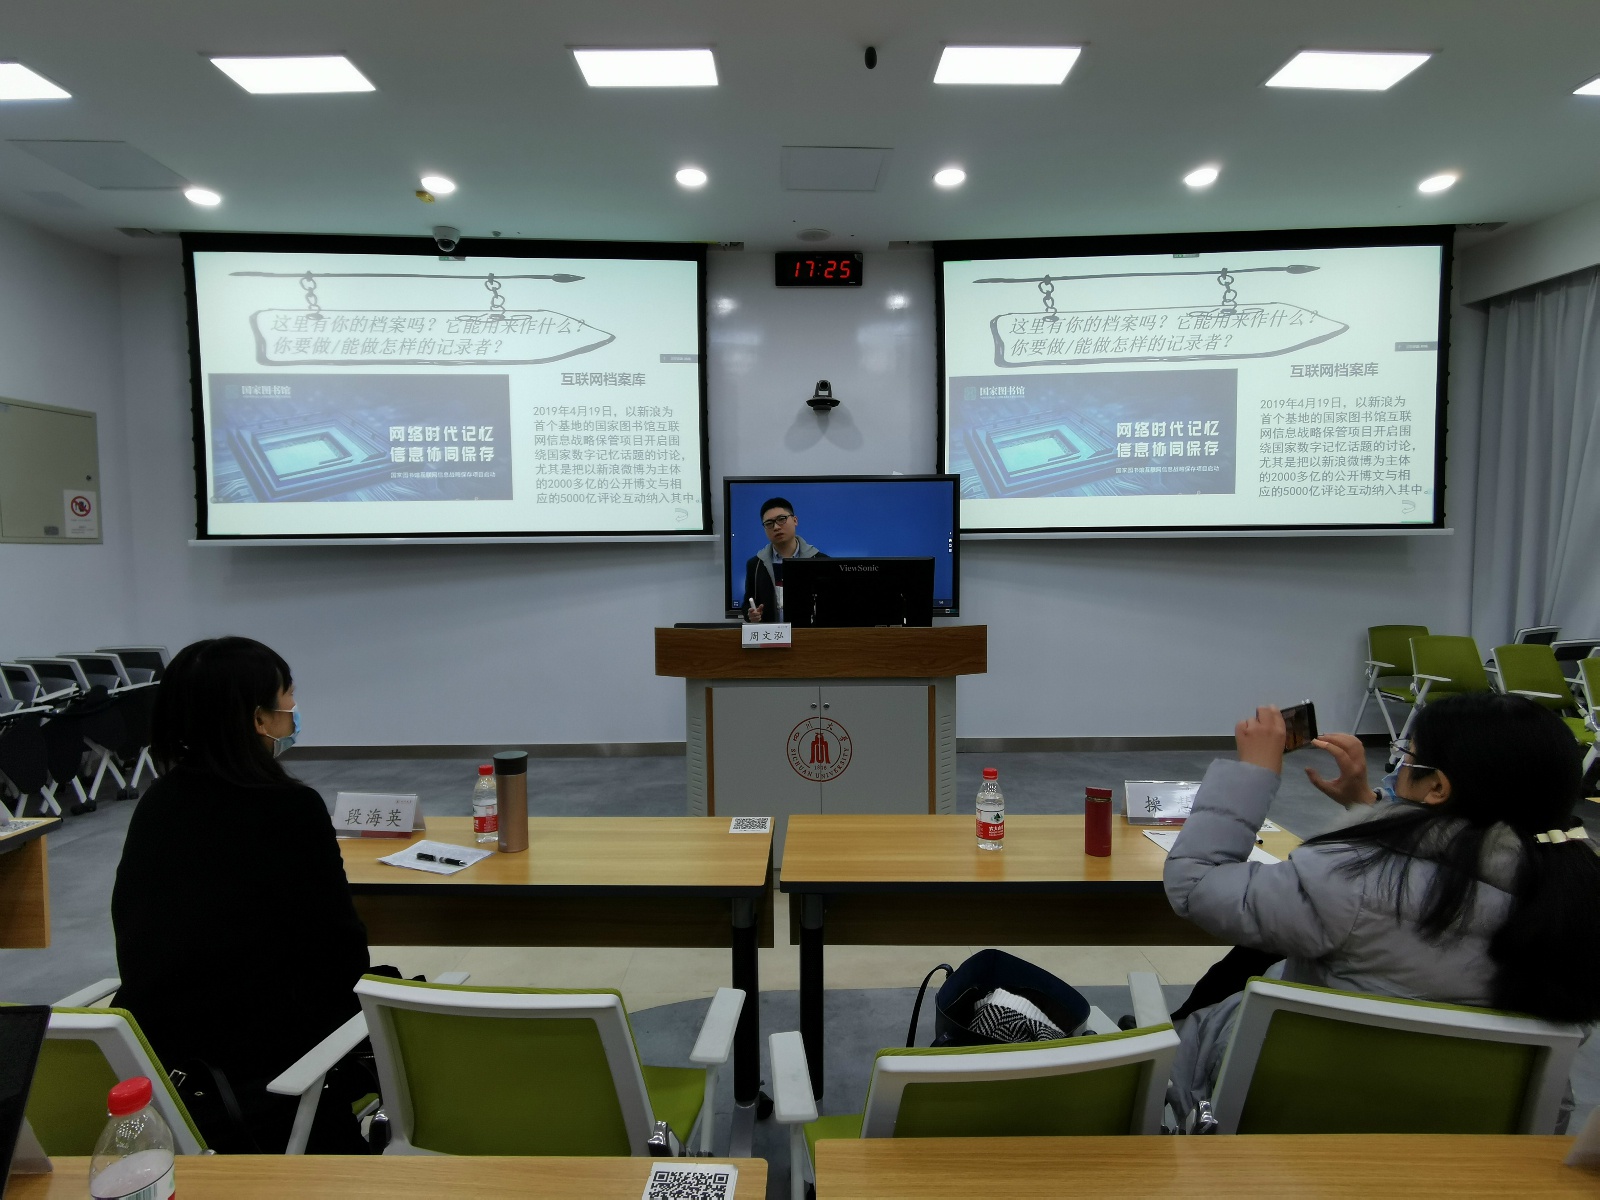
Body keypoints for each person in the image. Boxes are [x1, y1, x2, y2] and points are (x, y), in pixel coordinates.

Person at [1162, 693, 1600, 1124]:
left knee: (1227, 991)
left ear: (1437, 787)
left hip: (1304, 1111)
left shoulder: (1351, 881)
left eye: (1407, 756)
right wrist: (1370, 810)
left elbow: (1197, 884)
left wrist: (1253, 773)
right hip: (1477, 1142)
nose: (1399, 766)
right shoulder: (1576, 892)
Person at [111, 637, 376, 1153]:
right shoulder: (290, 808)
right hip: (272, 1076)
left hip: (167, 1067)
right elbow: (340, 956)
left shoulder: (157, 804)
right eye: (287, 695)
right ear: (259, 719)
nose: (293, 708)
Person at [742, 495, 827, 622]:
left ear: (795, 520)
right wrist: (751, 614)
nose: (776, 527)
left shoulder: (820, 561)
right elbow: (747, 604)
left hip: (808, 633)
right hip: (771, 633)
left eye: (781, 519)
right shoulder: (755, 564)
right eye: (769, 523)